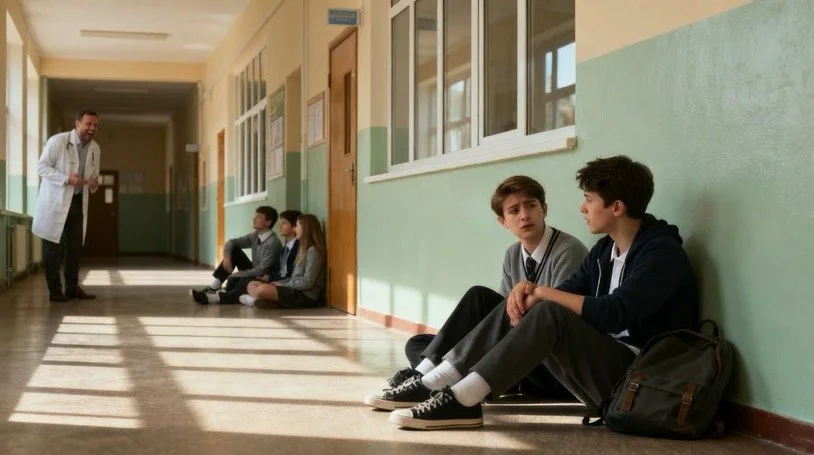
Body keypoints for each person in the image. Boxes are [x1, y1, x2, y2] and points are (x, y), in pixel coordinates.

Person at [366, 155, 699, 431]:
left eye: (589, 199)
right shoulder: (604, 251)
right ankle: (437, 381)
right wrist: (527, 294)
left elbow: (614, 313)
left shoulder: (661, 253)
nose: (582, 208)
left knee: (547, 311)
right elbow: (565, 291)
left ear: (616, 207)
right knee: (519, 303)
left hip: (636, 380)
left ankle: (462, 399)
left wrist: (539, 293)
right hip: (597, 366)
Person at [389, 175, 587, 401]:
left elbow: (558, 318)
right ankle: (437, 374)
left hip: (552, 366)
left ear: (544, 209)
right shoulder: (513, 254)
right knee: (418, 343)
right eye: (514, 211)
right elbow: (499, 318)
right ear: (503, 221)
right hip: (514, 354)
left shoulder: (568, 251)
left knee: (479, 297)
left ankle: (430, 377)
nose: (524, 215)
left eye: (531, 205)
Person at [32, 110, 101, 302]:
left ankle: (72, 288)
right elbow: (41, 167)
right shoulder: (58, 141)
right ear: (77, 123)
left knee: (75, 247)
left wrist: (94, 183)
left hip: (77, 201)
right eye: (88, 124)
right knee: (53, 247)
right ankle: (55, 291)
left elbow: (94, 175)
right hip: (56, 201)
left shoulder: (95, 148)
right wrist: (66, 179)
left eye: (95, 125)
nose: (92, 128)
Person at [189, 206, 282, 305]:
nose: (254, 219)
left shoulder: (273, 243)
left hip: (265, 277)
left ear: (268, 222)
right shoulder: (256, 235)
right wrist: (227, 257)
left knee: (241, 279)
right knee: (234, 251)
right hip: (256, 271)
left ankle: (215, 297)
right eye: (255, 216)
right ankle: (214, 287)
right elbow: (232, 242)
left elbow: (262, 270)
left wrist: (240, 274)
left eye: (258, 217)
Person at [239, 214, 326, 309]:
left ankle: (253, 301)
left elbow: (307, 282)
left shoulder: (313, 251)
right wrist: (279, 283)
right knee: (251, 284)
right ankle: (265, 302)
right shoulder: (302, 250)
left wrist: (282, 284)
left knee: (262, 289)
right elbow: (293, 278)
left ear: (305, 229)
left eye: (297, 226)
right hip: (294, 290)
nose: (295, 229)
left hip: (305, 295)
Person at [269, 209, 301, 281]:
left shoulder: (299, 248)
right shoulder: (284, 249)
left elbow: (291, 276)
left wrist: (270, 278)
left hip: (290, 284)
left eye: (284, 223)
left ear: (294, 227)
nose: (280, 226)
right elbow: (281, 272)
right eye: (281, 223)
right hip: (281, 281)